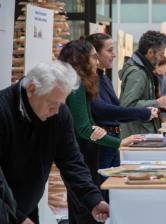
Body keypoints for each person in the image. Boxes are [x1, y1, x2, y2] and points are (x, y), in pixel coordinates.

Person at [0, 61, 109, 224]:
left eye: (60, 103)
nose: (57, 110)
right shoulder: (3, 111)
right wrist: (16, 217)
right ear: (31, 89)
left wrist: (93, 199)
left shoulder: (58, 114)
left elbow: (71, 161)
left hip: (27, 207)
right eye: (52, 104)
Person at [59, 40, 144, 223]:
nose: (97, 62)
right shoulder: (76, 83)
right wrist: (117, 142)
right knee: (86, 209)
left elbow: (87, 124)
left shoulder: (80, 82)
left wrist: (95, 129)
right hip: (79, 153)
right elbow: (84, 128)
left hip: (80, 150)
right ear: (80, 59)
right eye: (93, 57)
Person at [86, 33, 158, 200]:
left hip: (112, 142)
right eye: (110, 50)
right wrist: (142, 112)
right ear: (95, 54)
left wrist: (144, 112)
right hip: (101, 144)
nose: (114, 54)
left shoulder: (103, 78)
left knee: (112, 196)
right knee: (100, 196)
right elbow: (103, 110)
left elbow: (116, 110)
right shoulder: (89, 80)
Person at [119, 30, 166, 139]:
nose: (162, 58)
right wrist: (157, 102)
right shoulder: (138, 73)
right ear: (150, 52)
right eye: (161, 54)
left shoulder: (145, 70)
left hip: (141, 132)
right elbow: (127, 105)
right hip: (137, 135)